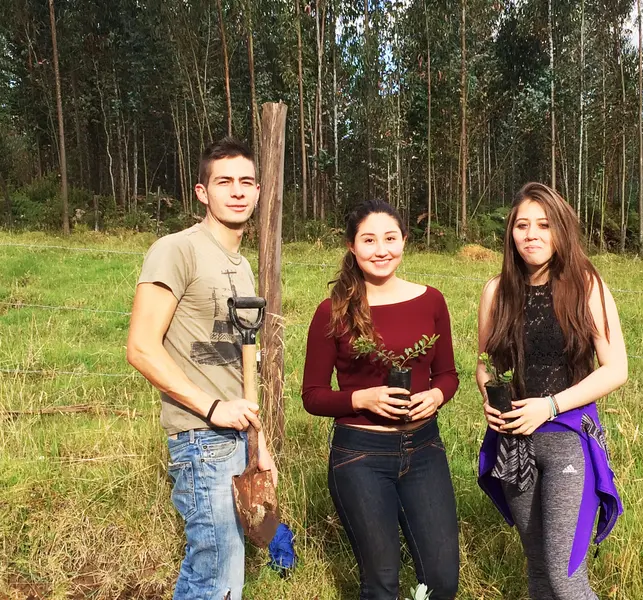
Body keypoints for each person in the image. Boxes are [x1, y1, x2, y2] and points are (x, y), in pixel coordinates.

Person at [126, 137, 277, 600]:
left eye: (246, 182)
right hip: (200, 437)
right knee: (216, 575)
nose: (237, 191)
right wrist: (212, 408)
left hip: (235, 434)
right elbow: (141, 348)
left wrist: (260, 441)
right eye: (224, 181)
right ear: (201, 191)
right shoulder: (177, 250)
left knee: (223, 572)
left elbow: (240, 367)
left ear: (258, 190)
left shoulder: (241, 266)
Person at [302, 199, 460, 600]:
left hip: (425, 450)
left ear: (404, 240)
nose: (381, 249)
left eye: (390, 238)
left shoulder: (431, 301)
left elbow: (447, 374)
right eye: (368, 240)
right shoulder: (332, 312)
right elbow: (313, 395)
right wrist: (362, 398)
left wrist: (437, 396)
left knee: (441, 580)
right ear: (352, 247)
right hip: (361, 457)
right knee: (382, 582)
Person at [476, 182, 627, 599]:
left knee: (565, 574)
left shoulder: (586, 286)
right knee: (539, 568)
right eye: (522, 225)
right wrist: (490, 398)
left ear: (561, 230)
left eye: (543, 225)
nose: (532, 234)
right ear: (511, 233)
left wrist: (550, 405)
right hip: (513, 443)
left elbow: (615, 369)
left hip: (568, 441)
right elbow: (485, 364)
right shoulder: (496, 291)